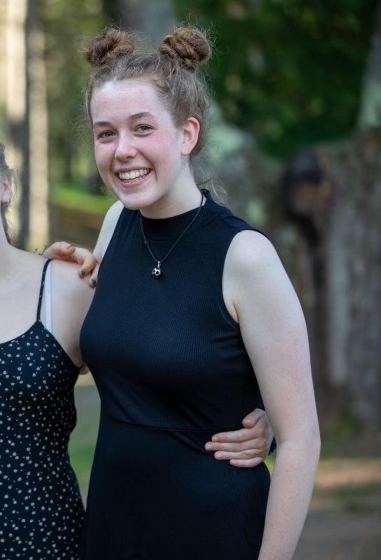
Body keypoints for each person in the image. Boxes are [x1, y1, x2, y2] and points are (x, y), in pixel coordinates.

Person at [0, 115, 273, 560]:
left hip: (53, 542)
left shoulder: (71, 289)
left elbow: (167, 364)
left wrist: (260, 417)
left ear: (6, 184)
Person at [77, 27, 320, 559]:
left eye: (142, 128)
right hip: (115, 527)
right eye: (105, 133)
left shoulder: (245, 256)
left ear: (187, 134)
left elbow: (301, 440)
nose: (123, 150)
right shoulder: (116, 224)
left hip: (214, 532)